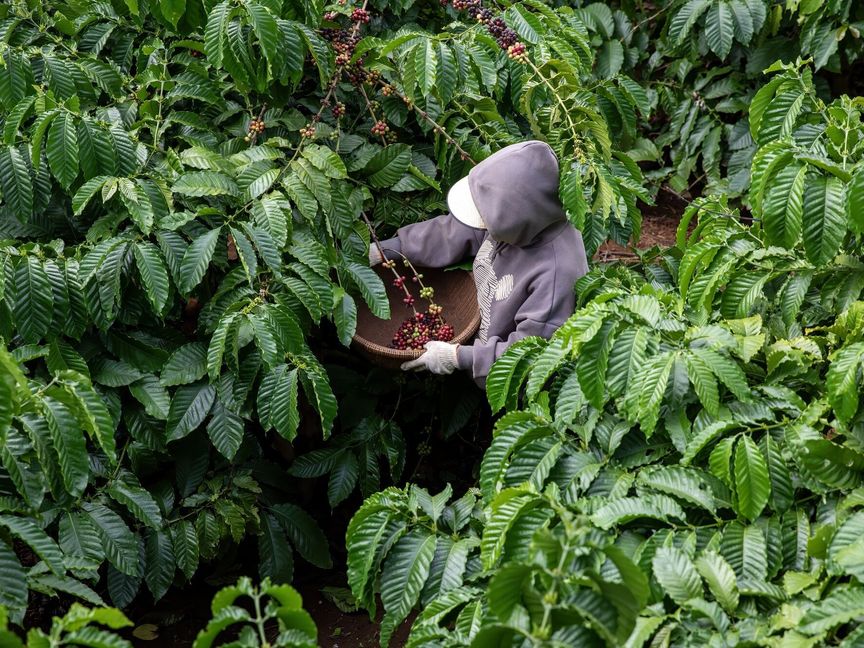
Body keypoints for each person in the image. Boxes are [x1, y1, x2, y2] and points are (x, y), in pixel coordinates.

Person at [369, 140, 589, 386]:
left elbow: (532, 352)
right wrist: (388, 250)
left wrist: (458, 357)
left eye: (487, 219)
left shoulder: (557, 274)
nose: (481, 223)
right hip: (479, 334)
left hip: (503, 386)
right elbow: (455, 232)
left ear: (514, 222)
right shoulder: (520, 215)